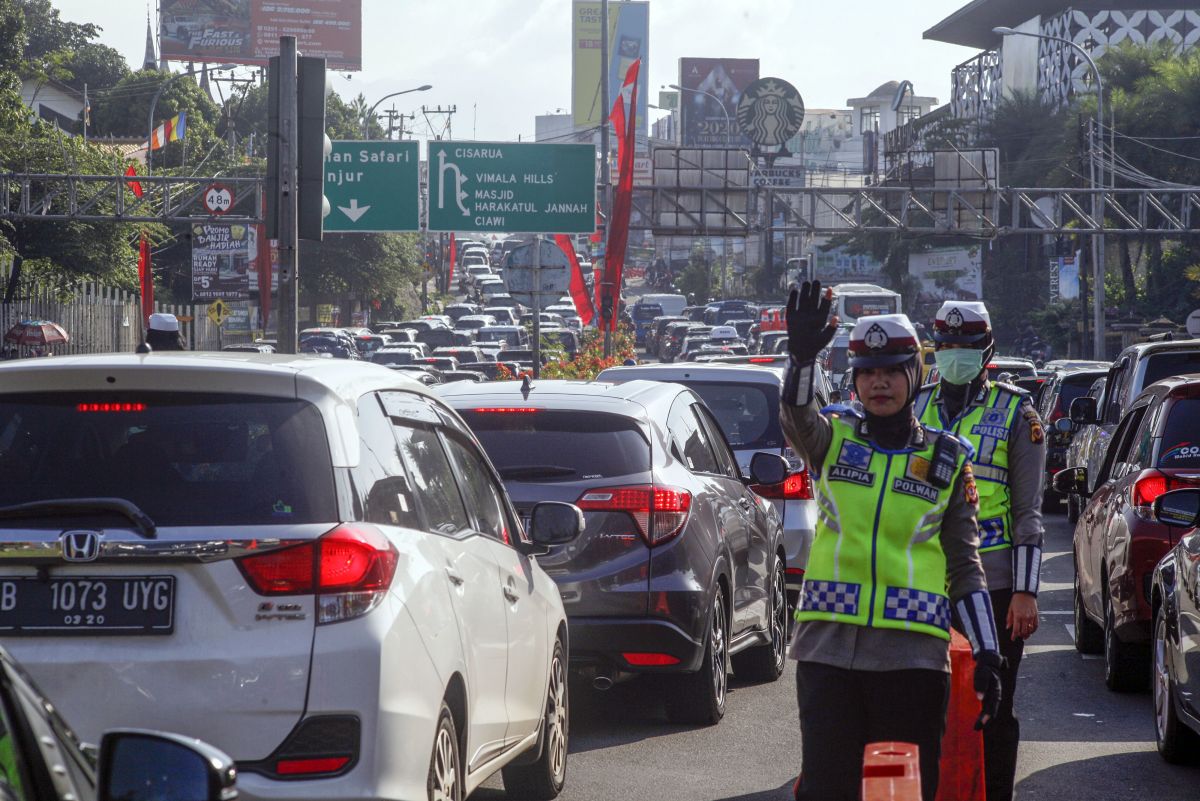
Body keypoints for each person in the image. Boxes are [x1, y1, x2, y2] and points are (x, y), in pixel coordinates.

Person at [780, 281, 1003, 801]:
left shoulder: (948, 460)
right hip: (828, 654)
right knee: (826, 790)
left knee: (894, 796)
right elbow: (795, 416)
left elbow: (964, 565)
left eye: (891, 372)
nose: (879, 383)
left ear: (914, 375)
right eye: (867, 373)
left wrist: (988, 653)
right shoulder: (832, 439)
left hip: (912, 662)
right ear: (854, 382)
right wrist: (802, 358)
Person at [914, 301, 1045, 801]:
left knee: (994, 702)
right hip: (924, 578)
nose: (954, 357)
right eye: (946, 347)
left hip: (993, 584)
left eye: (965, 348)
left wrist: (1026, 593)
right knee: (923, 699)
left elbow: (1029, 512)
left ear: (985, 351)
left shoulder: (1017, 413)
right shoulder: (915, 406)